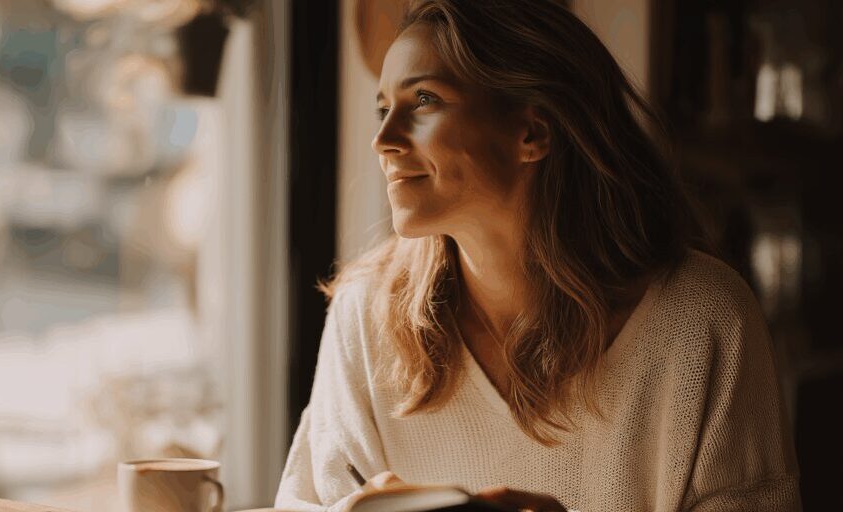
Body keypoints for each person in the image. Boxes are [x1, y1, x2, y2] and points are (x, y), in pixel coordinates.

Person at [274, 1, 801, 511]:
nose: (382, 140)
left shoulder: (703, 321)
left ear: (532, 132)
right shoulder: (367, 315)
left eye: (425, 101)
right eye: (384, 109)